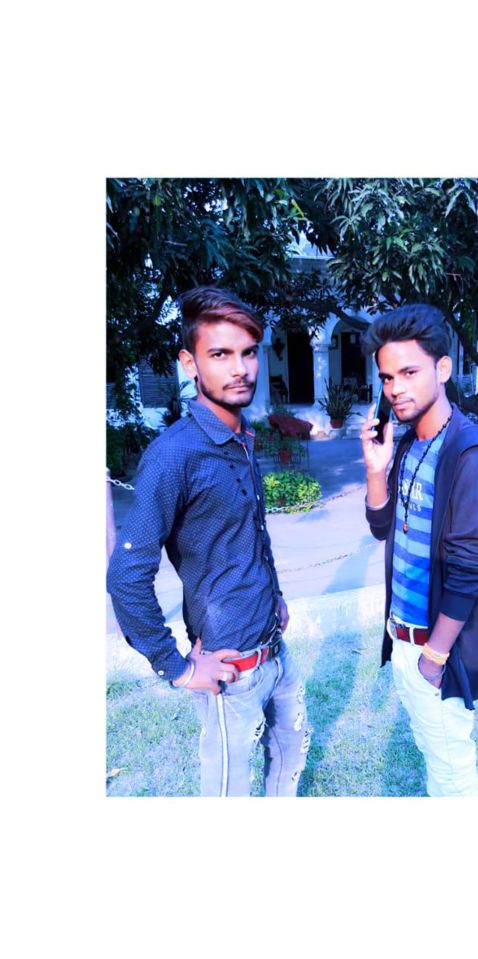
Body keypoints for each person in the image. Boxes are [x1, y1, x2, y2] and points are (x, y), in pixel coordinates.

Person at [107, 286, 311, 797]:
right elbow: (126, 575)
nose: (240, 369)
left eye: (248, 353)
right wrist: (175, 668)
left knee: (290, 755)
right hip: (229, 673)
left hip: (276, 651)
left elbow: (249, 530)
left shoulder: (241, 436)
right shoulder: (174, 454)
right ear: (189, 363)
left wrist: (275, 595)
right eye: (220, 354)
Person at [360, 304, 478, 797]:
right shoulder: (407, 445)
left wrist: (434, 658)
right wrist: (376, 469)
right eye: (386, 377)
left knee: (453, 776)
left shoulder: (470, 452)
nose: (395, 388)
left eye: (409, 372)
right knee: (434, 758)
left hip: (435, 649)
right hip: (403, 637)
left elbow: (470, 569)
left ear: (443, 369)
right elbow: (382, 527)